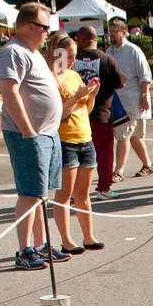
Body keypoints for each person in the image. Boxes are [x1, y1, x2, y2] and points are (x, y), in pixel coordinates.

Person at [0, 2, 68, 271]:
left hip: (47, 133)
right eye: (45, 27)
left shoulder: (33, 52)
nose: (48, 33)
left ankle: (40, 245)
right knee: (29, 193)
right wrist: (27, 130)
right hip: (29, 135)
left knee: (40, 194)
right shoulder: (13, 52)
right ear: (29, 26)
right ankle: (24, 250)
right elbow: (9, 91)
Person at [45, 32, 103, 254]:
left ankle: (88, 236)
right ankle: (67, 240)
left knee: (83, 193)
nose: (72, 61)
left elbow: (86, 111)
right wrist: (77, 97)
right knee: (64, 194)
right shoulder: (52, 78)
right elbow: (59, 114)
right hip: (65, 140)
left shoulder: (74, 76)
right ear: (57, 54)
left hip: (84, 138)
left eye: (74, 56)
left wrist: (92, 95)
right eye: (68, 56)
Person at [73, 25, 124, 201]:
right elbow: (120, 83)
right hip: (102, 113)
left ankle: (75, 191)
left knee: (76, 154)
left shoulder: (71, 60)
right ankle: (104, 188)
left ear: (81, 39)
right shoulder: (107, 59)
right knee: (104, 153)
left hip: (77, 114)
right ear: (95, 39)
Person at [106, 18, 153, 182]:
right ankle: (148, 164)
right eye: (110, 31)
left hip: (133, 100)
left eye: (114, 31)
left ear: (124, 33)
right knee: (133, 136)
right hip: (117, 101)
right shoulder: (109, 52)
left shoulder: (133, 51)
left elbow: (145, 75)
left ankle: (119, 171)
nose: (111, 35)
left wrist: (144, 96)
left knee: (123, 136)